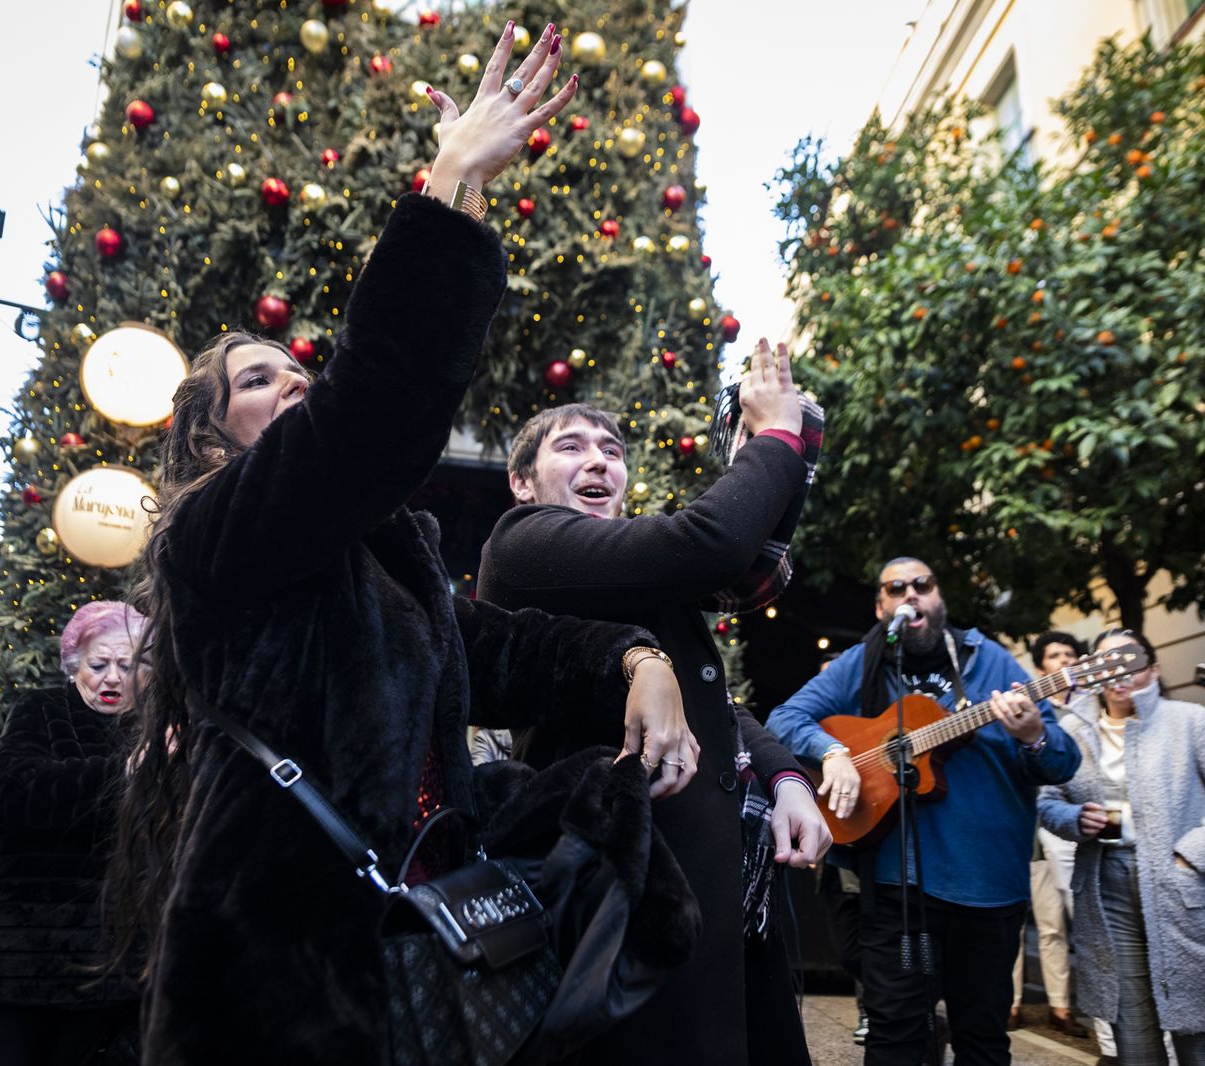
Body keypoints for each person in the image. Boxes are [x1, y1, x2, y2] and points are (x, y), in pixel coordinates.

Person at [113, 26, 696, 1064]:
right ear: (208, 434)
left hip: (422, 952)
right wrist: (450, 183)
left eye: (296, 370)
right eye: (259, 380)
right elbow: (372, 405)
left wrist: (637, 660)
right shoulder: (216, 533)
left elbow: (506, 644)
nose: (293, 382)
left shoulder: (382, 564)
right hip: (278, 976)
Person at [477, 347, 833, 1066]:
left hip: (721, 901)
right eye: (570, 447)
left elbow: (717, 698)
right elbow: (711, 543)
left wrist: (786, 778)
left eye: (612, 449)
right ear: (522, 483)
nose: (599, 461)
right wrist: (775, 438)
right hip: (623, 910)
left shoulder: (630, 575)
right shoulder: (522, 545)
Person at [768, 557, 1080, 1065]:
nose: (910, 594)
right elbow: (785, 717)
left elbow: (1063, 762)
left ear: (940, 597)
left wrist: (1033, 735)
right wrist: (834, 753)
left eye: (923, 585)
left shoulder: (993, 662)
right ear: (880, 606)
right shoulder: (865, 661)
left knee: (982, 1037)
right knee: (894, 1034)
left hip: (989, 886)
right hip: (899, 887)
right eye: (896, 588)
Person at [1039, 629, 1205, 1066]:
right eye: (1107, 662)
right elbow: (1047, 802)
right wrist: (1074, 820)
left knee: (1203, 1038)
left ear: (1154, 668)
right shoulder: (1071, 731)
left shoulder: (1190, 721)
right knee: (1135, 1041)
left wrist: (1193, 854)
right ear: (1091, 670)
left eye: (1132, 660)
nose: (1119, 672)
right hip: (1106, 893)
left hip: (1183, 887)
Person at [0, 602, 147, 1065]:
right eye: (98, 665)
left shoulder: (155, 728)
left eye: (128, 665)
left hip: (111, 953)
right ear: (75, 665)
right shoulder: (41, 709)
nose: (113, 678)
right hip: (20, 946)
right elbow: (13, 790)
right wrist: (121, 773)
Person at [1010, 633, 1087, 1039]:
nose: (1062, 661)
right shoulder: (1024, 704)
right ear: (1041, 668)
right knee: (1012, 926)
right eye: (1054, 656)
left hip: (1065, 833)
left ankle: (1061, 1005)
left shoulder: (1090, 706)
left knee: (1055, 923)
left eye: (1069, 655)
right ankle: (1012, 1002)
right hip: (1025, 832)